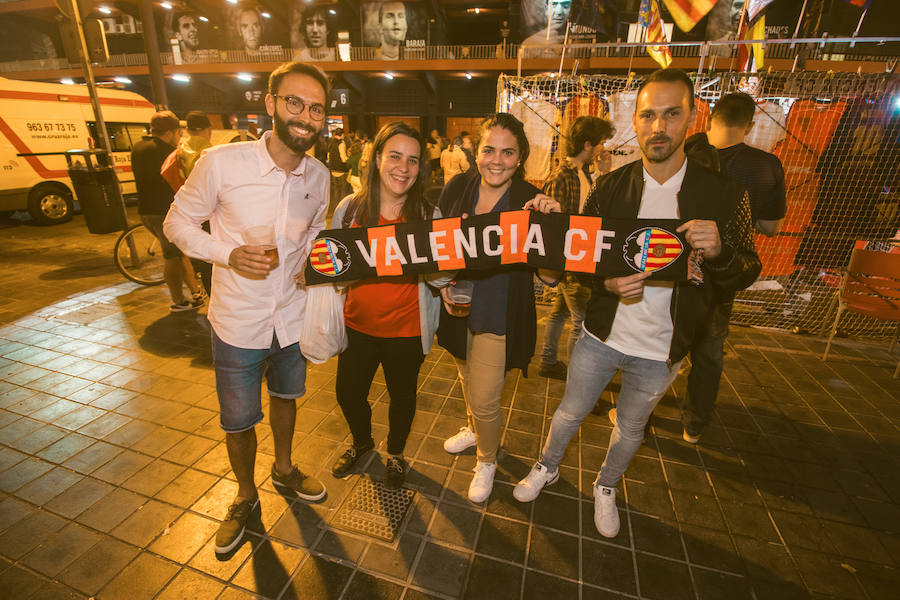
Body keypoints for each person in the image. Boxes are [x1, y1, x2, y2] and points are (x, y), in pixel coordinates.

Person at [512, 69, 761, 539]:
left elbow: (747, 269)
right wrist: (606, 283)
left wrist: (721, 251)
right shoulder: (612, 187)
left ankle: (606, 487)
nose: (658, 127)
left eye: (671, 114)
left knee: (630, 430)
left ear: (693, 117)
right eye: (648, 115)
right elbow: (582, 257)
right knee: (569, 412)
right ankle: (547, 467)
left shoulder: (724, 193)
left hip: (663, 350)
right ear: (636, 119)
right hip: (602, 336)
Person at [164, 62, 332, 555]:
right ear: (271, 103)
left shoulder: (319, 176)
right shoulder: (221, 163)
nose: (304, 116)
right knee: (238, 418)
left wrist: (312, 265)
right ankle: (243, 494)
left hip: (292, 316)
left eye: (316, 108)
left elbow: (318, 232)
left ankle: (283, 469)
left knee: (286, 396)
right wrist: (228, 254)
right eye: (294, 102)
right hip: (238, 319)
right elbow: (177, 224)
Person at [438, 113, 562, 503]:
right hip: (458, 306)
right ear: (477, 151)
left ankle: (487, 459)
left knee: (486, 396)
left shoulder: (530, 199)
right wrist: (440, 283)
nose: (496, 159)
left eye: (508, 152)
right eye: (489, 149)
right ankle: (475, 429)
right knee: (464, 375)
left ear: (521, 156)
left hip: (499, 312)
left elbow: (551, 278)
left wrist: (551, 227)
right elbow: (437, 243)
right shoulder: (458, 186)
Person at [330, 122, 451, 489]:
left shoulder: (430, 217)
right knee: (348, 394)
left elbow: (442, 281)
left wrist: (446, 263)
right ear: (377, 157)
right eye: (395, 156)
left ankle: (396, 453)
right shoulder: (350, 210)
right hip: (356, 326)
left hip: (406, 329)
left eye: (413, 160)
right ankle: (362, 442)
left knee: (402, 397)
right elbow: (335, 270)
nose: (404, 167)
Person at [679, 92, 787, 443]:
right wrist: (741, 222)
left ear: (710, 119)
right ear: (751, 125)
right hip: (723, 277)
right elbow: (771, 227)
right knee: (709, 352)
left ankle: (639, 416)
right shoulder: (766, 166)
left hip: (674, 267)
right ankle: (694, 424)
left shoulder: (684, 153)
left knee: (660, 345)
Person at [538, 115, 614, 380]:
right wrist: (564, 266)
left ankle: (548, 361)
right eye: (601, 143)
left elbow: (591, 209)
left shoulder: (582, 174)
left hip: (578, 259)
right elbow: (553, 228)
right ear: (587, 144)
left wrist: (602, 173)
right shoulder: (562, 176)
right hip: (571, 262)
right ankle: (576, 379)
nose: (603, 148)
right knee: (582, 323)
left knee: (559, 313)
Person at [132, 111, 203, 312]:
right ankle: (178, 301)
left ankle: (195, 292)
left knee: (180, 254)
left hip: (145, 210)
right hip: (162, 212)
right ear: (171, 132)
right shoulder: (166, 151)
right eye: (178, 133)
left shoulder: (139, 147)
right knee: (172, 257)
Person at [328, 128, 349, 209]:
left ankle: (336, 207)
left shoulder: (331, 143)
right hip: (341, 170)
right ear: (342, 134)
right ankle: (343, 207)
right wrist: (349, 158)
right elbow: (343, 159)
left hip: (333, 170)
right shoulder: (341, 144)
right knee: (343, 191)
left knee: (336, 190)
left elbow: (328, 156)